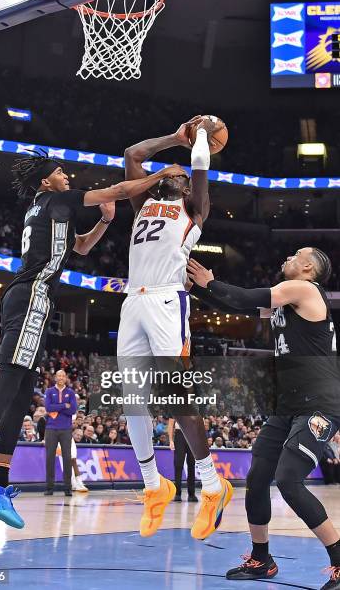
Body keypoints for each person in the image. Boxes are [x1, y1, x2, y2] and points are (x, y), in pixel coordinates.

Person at [0, 152, 183, 528]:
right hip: (30, 296)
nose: (66, 176)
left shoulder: (49, 210)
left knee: (22, 391)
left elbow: (82, 247)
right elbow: (119, 188)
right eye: (59, 172)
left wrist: (105, 221)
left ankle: (1, 481)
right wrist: (160, 176)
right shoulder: (57, 200)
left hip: (35, 299)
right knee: (7, 385)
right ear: (45, 183)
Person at [187, 248, 340, 590]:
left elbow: (244, 297)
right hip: (286, 404)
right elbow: (233, 305)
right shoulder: (286, 301)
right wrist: (194, 287)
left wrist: (210, 282)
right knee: (257, 478)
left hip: (319, 404)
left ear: (307, 267)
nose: (286, 257)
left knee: (288, 479)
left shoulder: (304, 290)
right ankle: (261, 559)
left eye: (295, 254)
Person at [117, 116, 233, 539]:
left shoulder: (193, 208)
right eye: (176, 173)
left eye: (185, 176)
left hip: (167, 298)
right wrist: (174, 138)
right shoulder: (142, 202)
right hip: (133, 300)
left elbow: (199, 165)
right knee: (130, 398)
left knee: (174, 395)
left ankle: (212, 485)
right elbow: (133, 154)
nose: (179, 175)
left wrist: (200, 136)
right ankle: (154, 487)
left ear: (188, 189)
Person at [44, 369, 77, 496]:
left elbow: (73, 410)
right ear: (55, 377)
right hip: (51, 428)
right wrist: (64, 405)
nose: (61, 377)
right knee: (50, 458)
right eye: (59, 375)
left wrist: (57, 406)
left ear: (66, 378)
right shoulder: (49, 391)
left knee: (67, 458)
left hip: (66, 429)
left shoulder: (71, 392)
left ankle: (67, 488)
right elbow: (48, 407)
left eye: (63, 375)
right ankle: (49, 487)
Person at [168, 418, 197, 502]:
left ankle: (191, 494)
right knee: (178, 464)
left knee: (191, 464)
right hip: (180, 434)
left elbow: (200, 424)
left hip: (192, 434)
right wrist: (170, 440)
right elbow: (170, 424)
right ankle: (177, 493)